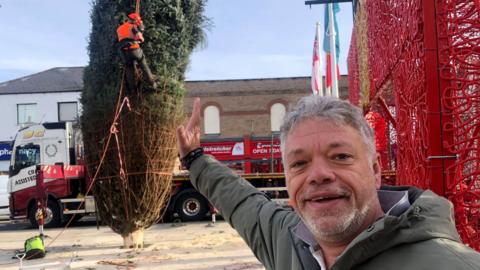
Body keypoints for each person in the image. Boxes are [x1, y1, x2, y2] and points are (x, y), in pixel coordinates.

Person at [176, 96, 480, 270]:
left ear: (375, 171)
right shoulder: (287, 242)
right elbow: (241, 202)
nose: (318, 174)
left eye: (340, 156)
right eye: (299, 163)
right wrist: (195, 158)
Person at [116, 12, 156, 92]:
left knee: (129, 69)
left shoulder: (119, 29)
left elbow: (122, 38)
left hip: (124, 53)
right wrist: (141, 29)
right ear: (135, 21)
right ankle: (152, 84)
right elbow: (141, 38)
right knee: (144, 65)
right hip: (134, 50)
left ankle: (133, 90)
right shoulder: (133, 27)